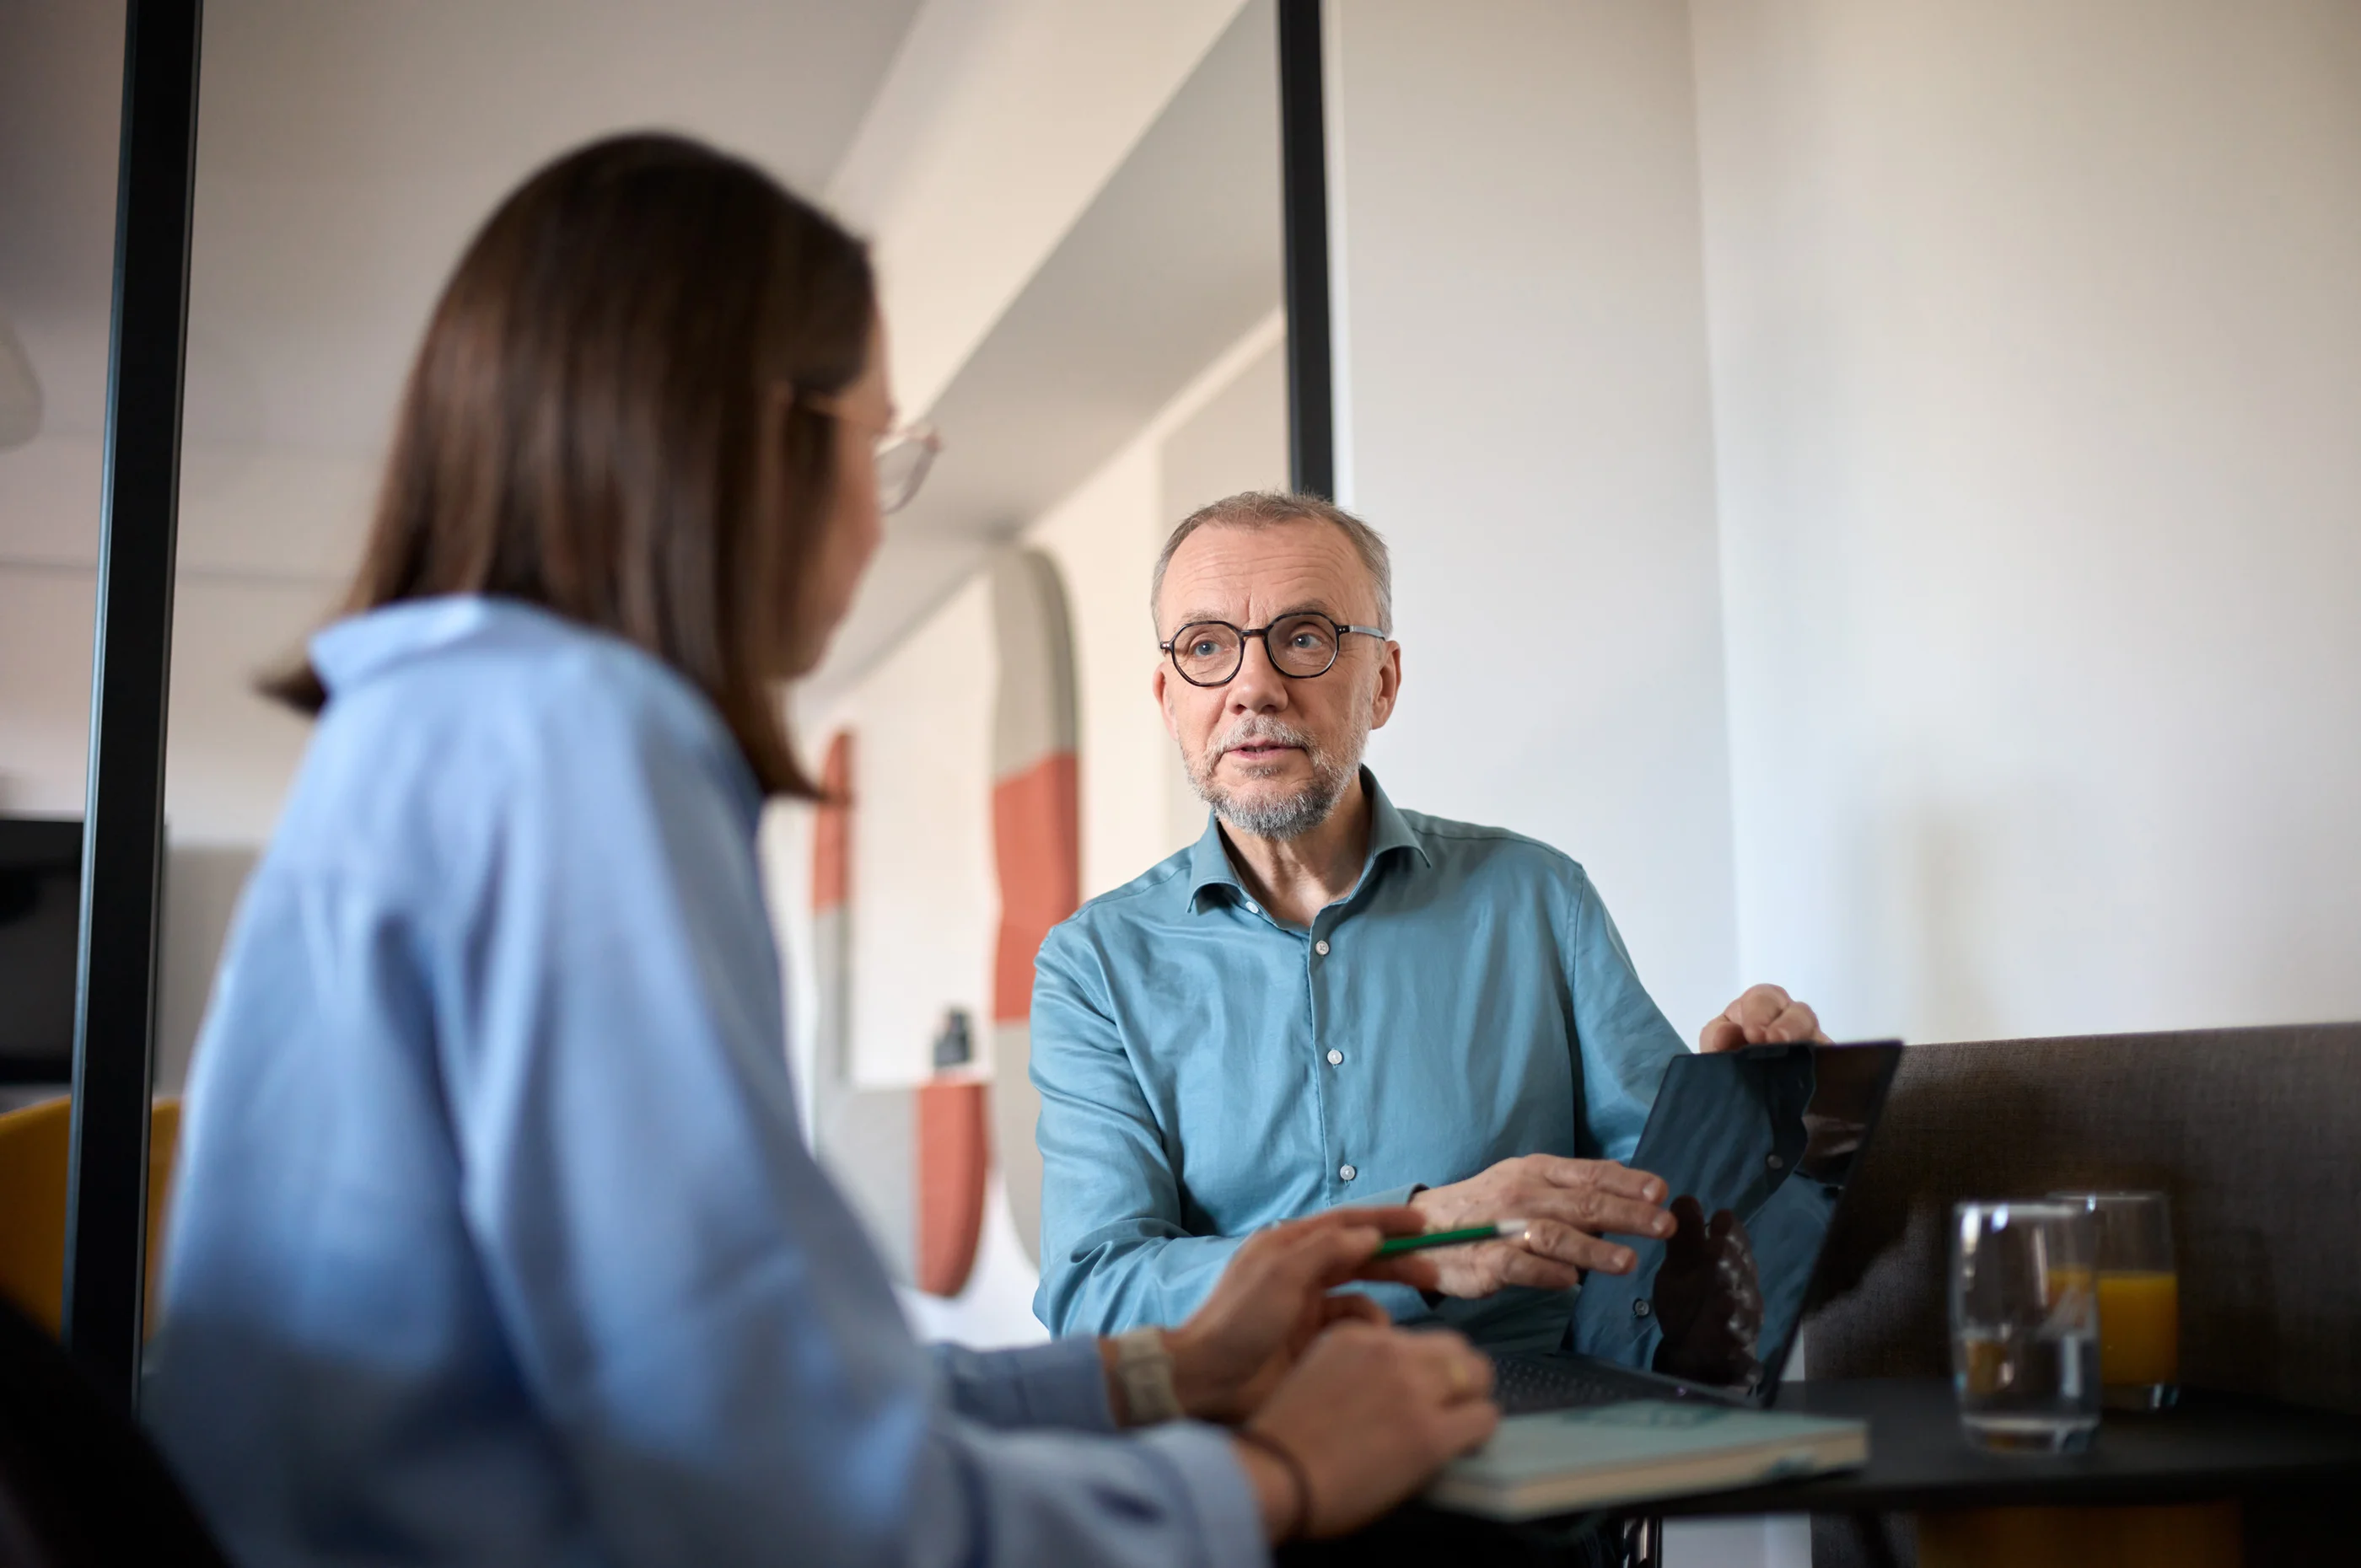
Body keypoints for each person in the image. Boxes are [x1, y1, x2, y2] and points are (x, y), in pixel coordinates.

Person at [143, 135, 1502, 1568]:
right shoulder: (579, 744)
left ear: (1377, 678)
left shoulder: (451, 726)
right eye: (875, 449)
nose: (871, 514)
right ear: (741, 441)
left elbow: (762, 1386)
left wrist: (1171, 1373)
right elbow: (787, 1500)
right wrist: (1278, 1479)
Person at [1030, 491, 1828, 1354]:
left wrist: (1756, 1121)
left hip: (1535, 1432)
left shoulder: (1538, 898)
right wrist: (1407, 1243)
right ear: (1167, 696)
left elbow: (1674, 1223)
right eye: (1206, 647)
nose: (1252, 687)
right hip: (1262, 1444)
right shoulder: (1094, 968)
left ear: (1382, 682)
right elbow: (1093, 1296)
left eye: (1304, 638)